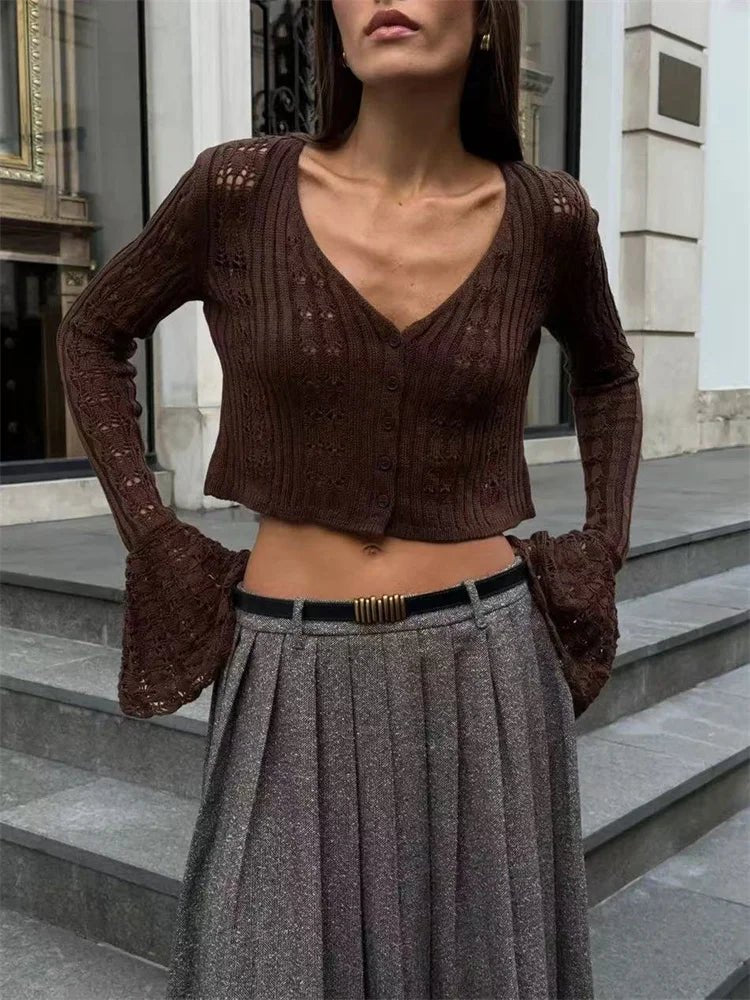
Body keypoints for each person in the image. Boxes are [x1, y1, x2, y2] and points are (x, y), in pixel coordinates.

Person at [56, 1, 643, 997]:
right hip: (288, 667)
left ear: (488, 17)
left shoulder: (549, 216)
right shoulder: (238, 188)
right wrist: (153, 534)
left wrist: (603, 543)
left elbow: (609, 375)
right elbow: (91, 334)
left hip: (487, 667)